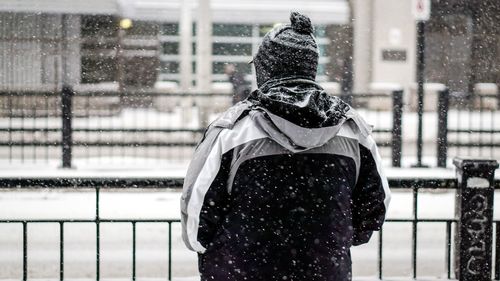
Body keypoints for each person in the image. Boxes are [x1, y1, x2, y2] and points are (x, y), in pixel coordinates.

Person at [181, 12, 390, 281]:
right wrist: (334, 239)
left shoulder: (232, 131)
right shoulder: (352, 130)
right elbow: (375, 206)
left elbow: (196, 216)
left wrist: (221, 252)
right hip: (325, 270)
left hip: (240, 270)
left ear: (265, 69)